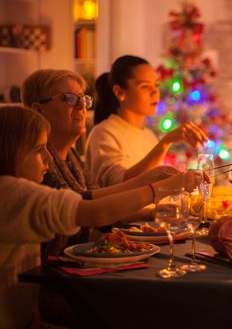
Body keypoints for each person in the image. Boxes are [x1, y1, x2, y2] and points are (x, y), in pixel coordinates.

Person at [0, 106, 204, 329]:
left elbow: (89, 200)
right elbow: (94, 212)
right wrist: (161, 189)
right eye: (39, 149)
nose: (48, 160)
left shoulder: (23, 188)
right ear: (9, 151)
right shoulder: (9, 192)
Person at [22, 69, 178, 260]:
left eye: (83, 99)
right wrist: (152, 185)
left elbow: (97, 205)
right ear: (38, 110)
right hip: (50, 275)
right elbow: (86, 208)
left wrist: (152, 212)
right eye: (69, 98)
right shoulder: (34, 161)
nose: (81, 106)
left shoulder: (72, 157)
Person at [86, 55, 208, 187]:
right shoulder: (104, 133)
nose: (155, 92)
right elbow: (119, 185)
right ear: (120, 92)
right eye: (145, 86)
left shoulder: (149, 136)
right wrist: (165, 143)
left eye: (156, 85)